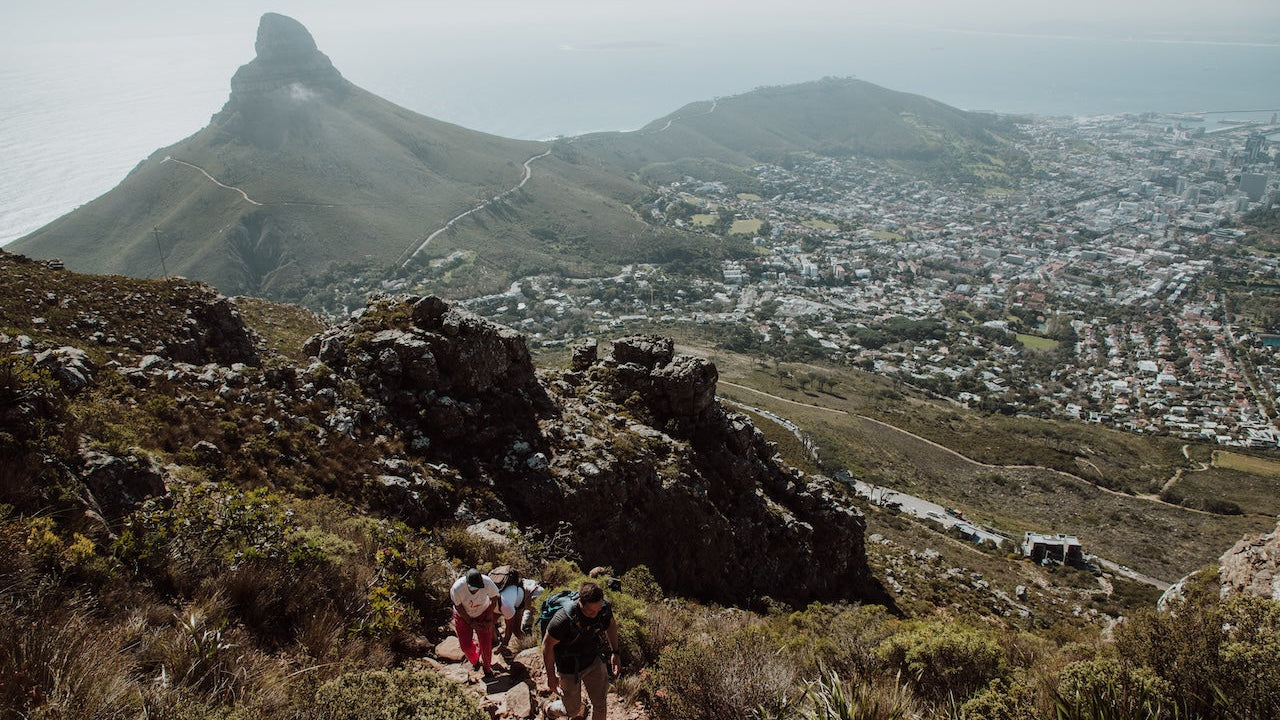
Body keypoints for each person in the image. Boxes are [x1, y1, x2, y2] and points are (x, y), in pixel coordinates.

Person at [542, 581, 621, 720]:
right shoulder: (564, 619)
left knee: (600, 704)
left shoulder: (604, 609)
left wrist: (615, 652)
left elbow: (611, 625)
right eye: (590, 611)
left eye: (597, 610)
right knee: (572, 710)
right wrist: (551, 676)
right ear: (580, 602)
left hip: (593, 659)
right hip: (568, 666)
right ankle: (548, 708)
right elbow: (547, 645)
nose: (594, 615)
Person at [450, 567, 501, 678]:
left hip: (483, 612)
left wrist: (488, 618)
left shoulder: (487, 582)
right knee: (466, 647)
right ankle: (475, 659)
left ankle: (487, 668)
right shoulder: (457, 588)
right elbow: (458, 606)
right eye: (473, 589)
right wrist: (470, 621)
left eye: (478, 588)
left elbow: (495, 597)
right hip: (463, 616)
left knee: (486, 644)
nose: (475, 590)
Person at [489, 564, 544, 648]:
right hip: (517, 596)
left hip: (531, 597)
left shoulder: (505, 604)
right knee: (489, 622)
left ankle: (531, 645)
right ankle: (495, 640)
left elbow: (509, 627)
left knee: (517, 630)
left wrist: (504, 644)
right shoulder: (488, 601)